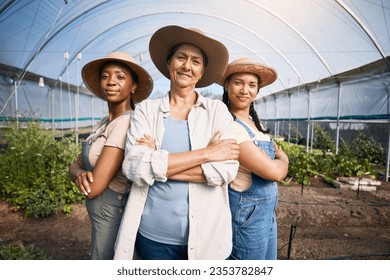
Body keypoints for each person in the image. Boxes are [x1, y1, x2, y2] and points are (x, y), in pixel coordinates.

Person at [114, 25, 240, 260]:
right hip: (154, 236)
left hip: (207, 238)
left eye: (195, 61)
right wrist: (207, 153)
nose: (187, 66)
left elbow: (227, 170)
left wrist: (157, 162)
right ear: (169, 63)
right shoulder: (146, 110)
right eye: (181, 57)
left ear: (201, 72)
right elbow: (134, 167)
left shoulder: (217, 111)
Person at [68, 52, 153, 259]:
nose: (111, 82)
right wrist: (78, 172)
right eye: (105, 76)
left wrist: (78, 173)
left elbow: (93, 188)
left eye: (120, 77)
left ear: (133, 87)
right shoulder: (105, 123)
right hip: (100, 214)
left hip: (111, 213)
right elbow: (74, 164)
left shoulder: (126, 123)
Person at [219, 57, 289, 260]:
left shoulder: (252, 123)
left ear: (257, 90)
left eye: (252, 85)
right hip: (246, 216)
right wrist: (283, 158)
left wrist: (278, 162)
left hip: (267, 213)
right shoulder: (229, 125)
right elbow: (275, 172)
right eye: (238, 83)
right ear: (227, 85)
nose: (244, 90)